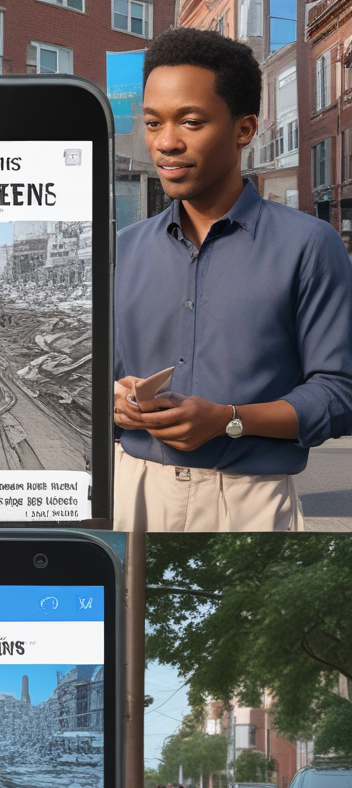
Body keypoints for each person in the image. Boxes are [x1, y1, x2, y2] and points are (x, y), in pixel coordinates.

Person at [114, 28, 352, 531]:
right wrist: (115, 400)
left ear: (245, 129)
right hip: (133, 489)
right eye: (154, 123)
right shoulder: (123, 249)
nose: (166, 143)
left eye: (191, 121)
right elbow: (93, 380)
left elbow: (339, 393)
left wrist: (227, 418)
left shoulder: (309, 245)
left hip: (250, 502)